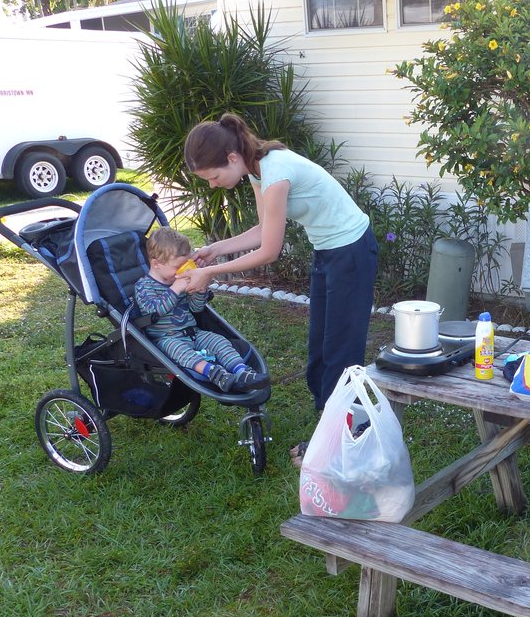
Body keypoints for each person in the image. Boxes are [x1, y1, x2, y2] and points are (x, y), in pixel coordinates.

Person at [180, 113, 378, 464]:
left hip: (351, 251)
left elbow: (269, 251)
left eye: (213, 177)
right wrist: (217, 249)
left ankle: (338, 441)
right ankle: (339, 426)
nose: (212, 184)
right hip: (328, 252)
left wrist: (210, 273)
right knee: (319, 349)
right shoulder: (258, 170)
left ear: (231, 158)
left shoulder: (275, 173)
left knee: (340, 352)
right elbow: (263, 229)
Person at [135, 227, 270, 394]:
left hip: (193, 332)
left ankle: (242, 371)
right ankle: (214, 373)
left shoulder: (179, 279)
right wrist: (175, 289)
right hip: (167, 338)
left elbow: (195, 308)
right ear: (156, 264)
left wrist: (200, 291)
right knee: (180, 351)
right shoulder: (144, 286)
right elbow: (153, 311)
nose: (183, 271)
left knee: (218, 341)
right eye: (177, 267)